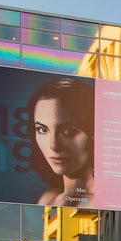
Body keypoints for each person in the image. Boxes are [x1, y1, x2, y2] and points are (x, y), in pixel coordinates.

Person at [29, 78, 95, 207]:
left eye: (67, 131)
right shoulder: (48, 200)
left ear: (94, 133)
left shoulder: (101, 202)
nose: (53, 145)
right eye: (42, 130)